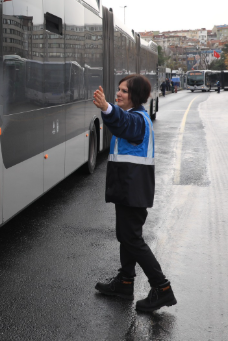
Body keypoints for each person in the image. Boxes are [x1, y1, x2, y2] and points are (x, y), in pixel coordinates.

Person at [92, 75, 177, 312]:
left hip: (133, 189)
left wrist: (107, 107)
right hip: (128, 188)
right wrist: (109, 109)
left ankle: (162, 288)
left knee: (132, 239)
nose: (118, 94)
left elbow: (122, 124)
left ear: (136, 96)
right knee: (126, 236)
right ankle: (125, 282)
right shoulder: (133, 116)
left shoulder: (138, 119)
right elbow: (119, 123)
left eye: (124, 91)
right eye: (117, 90)